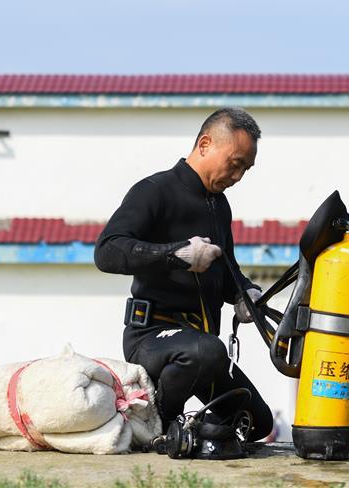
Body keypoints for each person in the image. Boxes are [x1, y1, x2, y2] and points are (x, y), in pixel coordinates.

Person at [94, 107, 273, 444]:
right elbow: (106, 251)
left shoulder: (219, 205)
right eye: (234, 164)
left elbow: (227, 270)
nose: (238, 176)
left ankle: (189, 431)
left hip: (203, 349)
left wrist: (244, 294)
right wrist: (177, 255)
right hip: (151, 338)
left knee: (255, 422)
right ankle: (157, 426)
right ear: (205, 144)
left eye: (245, 169)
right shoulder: (154, 190)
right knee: (207, 350)